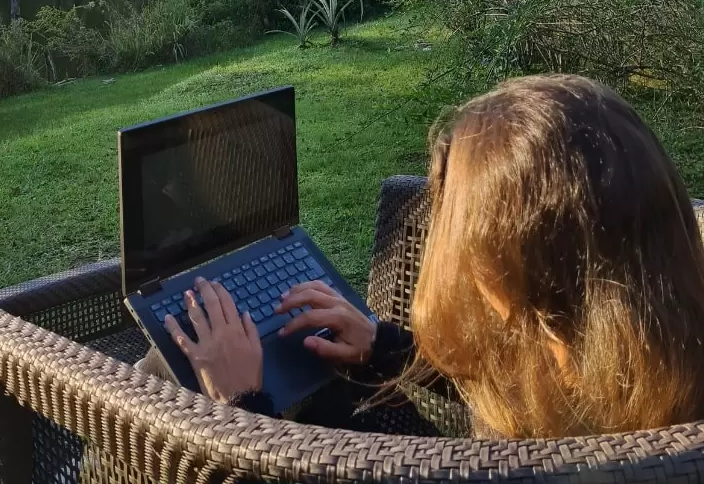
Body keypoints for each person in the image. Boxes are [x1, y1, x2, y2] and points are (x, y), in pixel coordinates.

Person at [153, 74, 704, 439]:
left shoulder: (564, 455)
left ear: (516, 278)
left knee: (163, 374)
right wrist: (382, 345)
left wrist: (241, 408)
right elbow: (521, 364)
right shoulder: (639, 348)